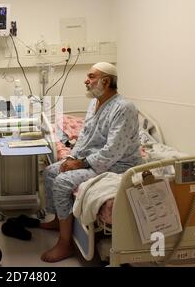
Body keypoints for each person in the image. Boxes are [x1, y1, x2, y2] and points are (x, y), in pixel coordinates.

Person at [40, 62, 142, 262]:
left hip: (117, 165)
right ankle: (57, 220)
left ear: (105, 81)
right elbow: (85, 136)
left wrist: (80, 164)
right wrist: (71, 158)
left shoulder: (124, 108)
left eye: (91, 76)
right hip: (92, 158)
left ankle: (65, 243)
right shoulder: (94, 103)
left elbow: (113, 150)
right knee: (51, 172)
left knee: (62, 182)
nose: (86, 81)